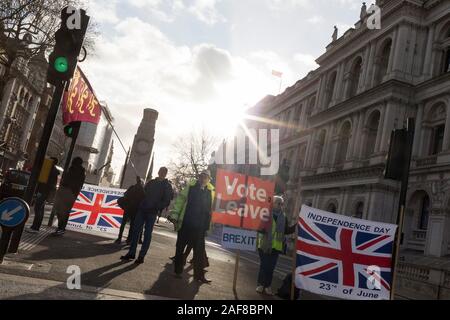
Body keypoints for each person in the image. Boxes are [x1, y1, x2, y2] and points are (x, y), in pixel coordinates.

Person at [169, 170, 214, 283]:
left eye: (205, 177)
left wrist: (208, 226)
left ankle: (199, 276)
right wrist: (174, 214)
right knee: (180, 247)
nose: (203, 179)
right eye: (201, 176)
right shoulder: (191, 187)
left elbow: (211, 210)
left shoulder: (211, 192)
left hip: (200, 227)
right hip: (186, 223)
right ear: (199, 177)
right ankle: (178, 271)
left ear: (209, 179)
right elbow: (180, 200)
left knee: (199, 252)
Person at [121, 167, 173, 264]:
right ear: (158, 172)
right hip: (142, 209)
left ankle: (141, 256)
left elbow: (166, 201)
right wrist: (140, 185)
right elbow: (143, 193)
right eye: (161, 171)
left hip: (152, 212)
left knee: (147, 234)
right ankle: (131, 253)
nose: (162, 173)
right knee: (135, 231)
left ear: (166, 174)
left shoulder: (167, 186)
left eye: (164, 172)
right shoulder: (151, 182)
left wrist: (156, 206)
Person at [256, 196, 296, 296]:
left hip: (276, 247)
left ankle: (268, 286)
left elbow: (286, 231)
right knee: (264, 266)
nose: (280, 205)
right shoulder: (266, 214)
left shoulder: (284, 217)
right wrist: (261, 229)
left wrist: (296, 226)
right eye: (278, 203)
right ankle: (261, 285)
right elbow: (259, 227)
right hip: (264, 245)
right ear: (273, 204)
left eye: (281, 204)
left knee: (271, 268)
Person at [52, 157, 86, 236]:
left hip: (67, 191)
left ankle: (61, 228)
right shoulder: (81, 172)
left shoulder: (74, 170)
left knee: (61, 211)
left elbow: (68, 180)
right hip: (72, 193)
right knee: (64, 211)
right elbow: (80, 184)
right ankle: (61, 228)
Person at [26, 157, 60, 233]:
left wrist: (39, 191)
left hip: (43, 191)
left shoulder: (49, 170)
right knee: (40, 209)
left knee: (38, 209)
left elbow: (44, 182)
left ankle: (35, 227)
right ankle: (35, 226)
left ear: (52, 162)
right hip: (45, 192)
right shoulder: (53, 170)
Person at [115, 176, 145, 244]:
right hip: (134, 210)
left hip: (128, 207)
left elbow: (125, 194)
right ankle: (129, 239)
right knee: (132, 225)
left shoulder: (132, 187)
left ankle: (119, 238)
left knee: (123, 223)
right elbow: (143, 199)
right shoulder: (142, 190)